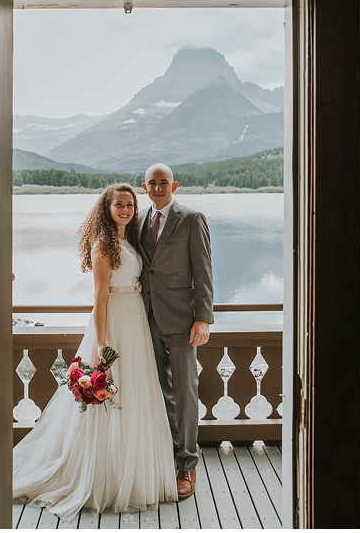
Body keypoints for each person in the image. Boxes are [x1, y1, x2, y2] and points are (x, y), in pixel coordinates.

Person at [13, 183, 178, 519]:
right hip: (114, 322)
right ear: (107, 208)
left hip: (135, 322)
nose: (126, 210)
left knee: (135, 395)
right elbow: (100, 297)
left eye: (130, 205)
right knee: (110, 397)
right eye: (119, 204)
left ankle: (135, 472)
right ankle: (103, 476)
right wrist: (103, 343)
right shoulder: (103, 245)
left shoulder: (127, 241)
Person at [139, 163, 214, 499]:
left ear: (175, 185)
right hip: (145, 318)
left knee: (185, 392)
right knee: (158, 391)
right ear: (144, 187)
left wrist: (204, 318)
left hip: (184, 321)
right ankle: (167, 453)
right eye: (152, 183)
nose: (158, 188)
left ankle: (187, 465)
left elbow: (203, 271)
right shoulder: (137, 219)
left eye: (164, 183)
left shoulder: (192, 218)